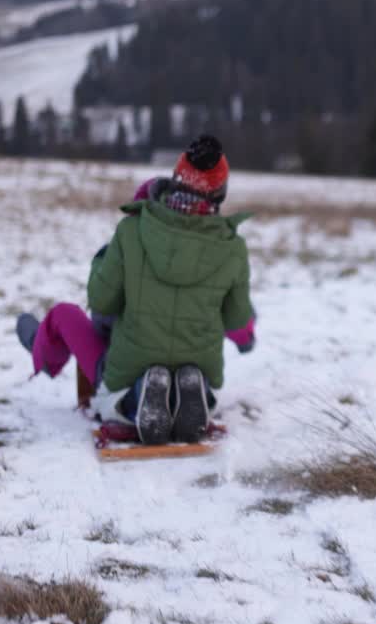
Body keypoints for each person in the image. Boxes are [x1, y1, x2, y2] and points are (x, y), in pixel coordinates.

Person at [15, 134, 256, 444]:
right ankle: (192, 390)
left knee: (71, 319)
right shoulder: (232, 248)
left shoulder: (131, 230)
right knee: (188, 361)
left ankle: (139, 396)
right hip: (199, 360)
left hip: (129, 362)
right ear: (220, 194)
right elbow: (237, 320)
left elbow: (101, 301)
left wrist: (104, 260)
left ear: (175, 182)